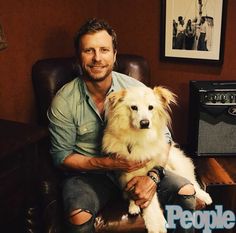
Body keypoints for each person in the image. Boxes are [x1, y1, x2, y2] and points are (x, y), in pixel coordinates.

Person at [47, 18, 197, 233]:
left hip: (141, 167)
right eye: (89, 50)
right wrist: (109, 164)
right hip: (91, 176)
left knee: (186, 190)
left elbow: (165, 138)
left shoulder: (136, 88)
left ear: (114, 55)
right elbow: (61, 157)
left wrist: (152, 177)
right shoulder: (64, 101)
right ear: (79, 56)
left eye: (104, 50)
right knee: (78, 215)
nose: (97, 58)